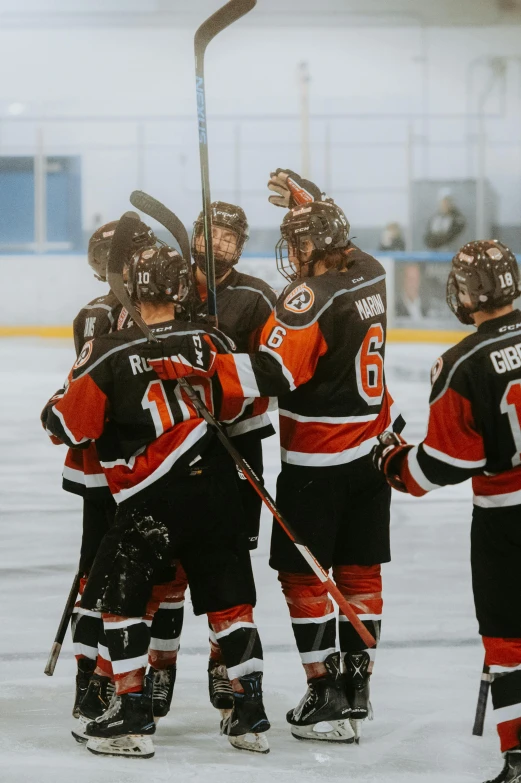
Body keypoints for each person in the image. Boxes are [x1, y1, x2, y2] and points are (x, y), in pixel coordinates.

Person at [148, 172, 404, 744]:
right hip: (370, 449)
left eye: (297, 244)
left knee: (301, 575)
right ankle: (357, 685)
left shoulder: (306, 297)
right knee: (361, 570)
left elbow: (276, 372)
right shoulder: (371, 272)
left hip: (319, 459)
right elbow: (341, 250)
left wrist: (201, 366)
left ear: (314, 246)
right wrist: (317, 208)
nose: (291, 255)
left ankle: (324, 692)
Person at [41, 246, 270, 758]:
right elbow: (243, 401)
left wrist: (51, 409)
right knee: (232, 603)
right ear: (180, 289)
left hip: (150, 501)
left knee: (122, 604)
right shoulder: (212, 338)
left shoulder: (108, 349)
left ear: (132, 290)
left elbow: (71, 428)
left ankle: (131, 715)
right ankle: (249, 713)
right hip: (217, 490)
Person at [372, 240, 521, 783]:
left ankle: (519, 756)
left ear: (466, 294)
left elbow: (442, 466)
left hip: (506, 522)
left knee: (508, 637)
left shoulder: (461, 364)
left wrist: (391, 462)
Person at [65, 218, 156, 721]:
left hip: (122, 467)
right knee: (99, 573)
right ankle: (91, 677)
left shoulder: (129, 309)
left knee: (105, 573)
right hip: (112, 468)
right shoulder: (97, 316)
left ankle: (99, 677)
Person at [190, 200, 277, 713]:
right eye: (214, 233)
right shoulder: (169, 287)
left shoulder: (256, 296)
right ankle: (158, 666)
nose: (221, 244)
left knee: (229, 557)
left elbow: (273, 370)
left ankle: (223, 659)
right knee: (173, 559)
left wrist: (226, 376)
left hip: (237, 438)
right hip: (176, 445)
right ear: (196, 234)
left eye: (231, 237)